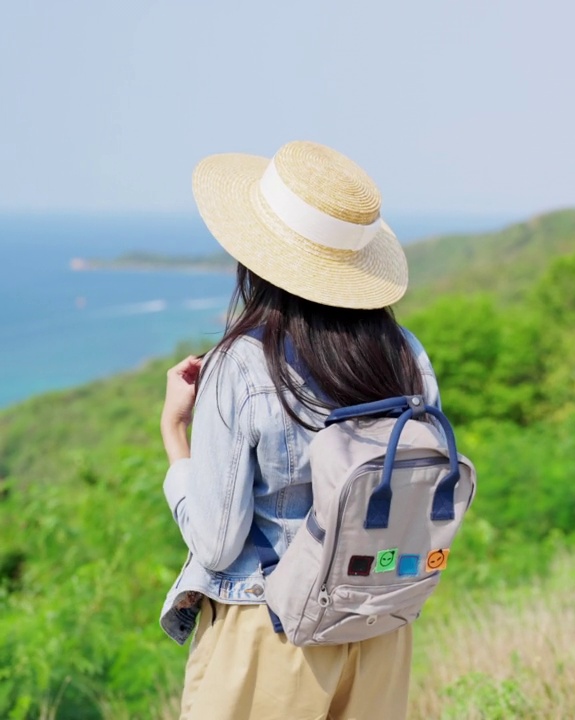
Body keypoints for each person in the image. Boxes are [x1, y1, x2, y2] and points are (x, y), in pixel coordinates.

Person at [157, 141, 438, 719]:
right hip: (377, 626)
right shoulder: (406, 355)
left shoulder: (242, 366)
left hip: (271, 631)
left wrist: (174, 436)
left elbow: (216, 543)